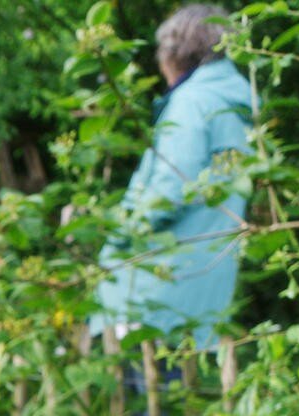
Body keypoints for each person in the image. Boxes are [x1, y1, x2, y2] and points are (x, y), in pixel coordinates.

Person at [93, 5, 254, 355]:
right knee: (186, 393)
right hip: (207, 274)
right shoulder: (236, 101)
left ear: (173, 54)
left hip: (158, 279)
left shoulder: (191, 103)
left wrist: (118, 238)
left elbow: (169, 189)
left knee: (150, 393)